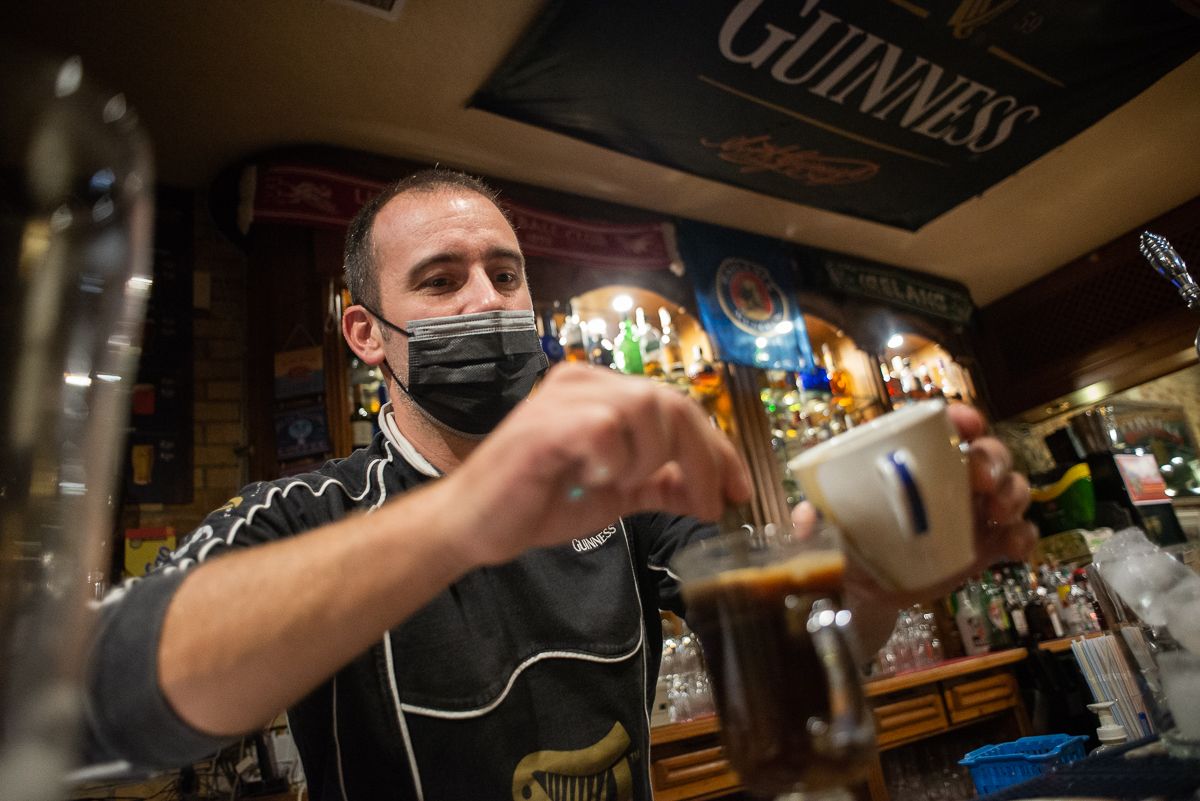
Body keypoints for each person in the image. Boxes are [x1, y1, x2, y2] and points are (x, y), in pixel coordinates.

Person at [84, 169, 1035, 800]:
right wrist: (462, 516)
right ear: (366, 333)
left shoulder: (629, 499)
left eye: (506, 274)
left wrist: (865, 582)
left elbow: (786, 662)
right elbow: (84, 701)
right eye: (441, 280)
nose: (487, 300)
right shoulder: (303, 515)